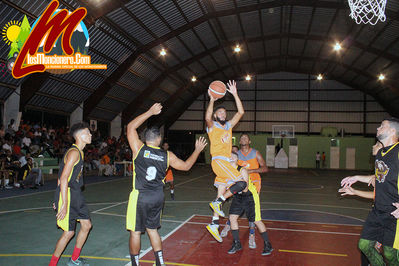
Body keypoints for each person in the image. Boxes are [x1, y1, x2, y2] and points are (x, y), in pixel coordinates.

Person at [126, 103, 207, 266]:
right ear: (158, 139)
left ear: (145, 138)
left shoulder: (139, 149)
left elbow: (130, 127)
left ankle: (135, 264)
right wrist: (197, 150)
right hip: (157, 197)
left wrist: (150, 111)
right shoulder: (167, 155)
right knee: (153, 230)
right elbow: (186, 167)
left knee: (135, 232)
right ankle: (160, 262)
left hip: (140, 196)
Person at [341, 118, 399, 265]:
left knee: (390, 253)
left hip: (393, 214)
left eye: (382, 126)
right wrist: (356, 178)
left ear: (392, 131)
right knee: (364, 245)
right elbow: (378, 178)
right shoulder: (381, 154)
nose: (377, 128)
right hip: (377, 211)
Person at [205, 80, 247, 243]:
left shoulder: (228, 126)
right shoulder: (212, 126)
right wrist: (212, 100)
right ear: (216, 116)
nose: (223, 114)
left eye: (224, 112)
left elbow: (241, 112)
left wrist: (235, 94)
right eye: (220, 112)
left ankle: (214, 224)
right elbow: (207, 116)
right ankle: (218, 202)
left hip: (225, 163)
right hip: (219, 161)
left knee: (221, 190)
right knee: (241, 183)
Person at [50, 122, 92, 266]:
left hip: (76, 194)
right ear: (80, 136)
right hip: (69, 194)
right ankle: (52, 264)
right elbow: (62, 178)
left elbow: (60, 176)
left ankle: (74, 259)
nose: (90, 135)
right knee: (69, 233)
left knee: (86, 225)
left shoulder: (80, 151)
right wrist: (63, 202)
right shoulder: (74, 153)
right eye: (88, 133)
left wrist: (57, 197)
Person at [221, 133, 268, 249]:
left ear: (249, 141)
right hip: (240, 184)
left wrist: (250, 171)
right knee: (236, 206)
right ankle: (229, 225)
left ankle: (252, 234)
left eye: (245, 138)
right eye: (241, 138)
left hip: (254, 184)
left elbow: (265, 168)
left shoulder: (255, 153)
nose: (243, 139)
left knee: (251, 211)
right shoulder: (236, 155)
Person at [226, 152, 273, 256]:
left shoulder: (242, 170)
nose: (230, 158)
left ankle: (268, 244)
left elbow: (245, 187)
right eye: (229, 157)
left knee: (256, 220)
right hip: (238, 196)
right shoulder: (227, 172)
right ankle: (237, 243)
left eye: (233, 157)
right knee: (232, 218)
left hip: (249, 196)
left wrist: (231, 188)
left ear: (237, 160)